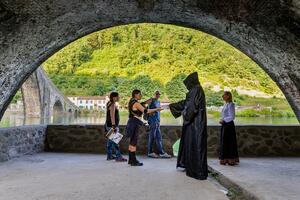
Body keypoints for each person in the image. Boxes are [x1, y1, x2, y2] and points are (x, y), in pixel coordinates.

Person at [169, 72, 208, 180]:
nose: (187, 87)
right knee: (193, 146)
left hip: (195, 125)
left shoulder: (195, 90)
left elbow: (191, 108)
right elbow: (187, 103)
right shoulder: (197, 89)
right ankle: (193, 168)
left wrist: (185, 115)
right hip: (196, 124)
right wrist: (173, 106)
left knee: (196, 146)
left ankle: (197, 171)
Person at [126, 89, 163, 166]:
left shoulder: (131, 101)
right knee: (133, 142)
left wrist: (146, 102)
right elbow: (146, 111)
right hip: (134, 123)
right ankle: (133, 161)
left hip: (132, 122)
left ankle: (131, 159)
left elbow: (140, 105)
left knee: (132, 142)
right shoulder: (136, 103)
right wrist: (157, 109)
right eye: (139, 94)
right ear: (135, 95)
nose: (141, 95)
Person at [147, 91, 171, 158]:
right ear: (154, 94)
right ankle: (150, 152)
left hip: (157, 121)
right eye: (157, 94)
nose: (158, 95)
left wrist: (158, 113)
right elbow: (149, 111)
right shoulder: (151, 100)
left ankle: (161, 153)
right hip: (153, 121)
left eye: (159, 94)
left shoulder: (158, 102)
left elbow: (157, 111)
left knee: (158, 138)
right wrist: (156, 110)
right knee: (152, 137)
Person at [104, 92, 127, 162]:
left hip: (108, 124)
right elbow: (112, 116)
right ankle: (118, 157)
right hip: (112, 125)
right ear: (114, 97)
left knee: (110, 142)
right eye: (118, 96)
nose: (119, 98)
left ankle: (109, 156)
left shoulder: (109, 103)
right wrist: (114, 126)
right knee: (115, 141)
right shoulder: (112, 104)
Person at [219, 91, 239, 166]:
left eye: (224, 95)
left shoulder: (231, 105)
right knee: (225, 142)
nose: (223, 96)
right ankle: (225, 159)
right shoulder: (226, 104)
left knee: (229, 142)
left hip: (229, 126)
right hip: (225, 125)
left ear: (228, 96)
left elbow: (232, 116)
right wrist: (222, 120)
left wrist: (223, 120)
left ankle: (231, 159)